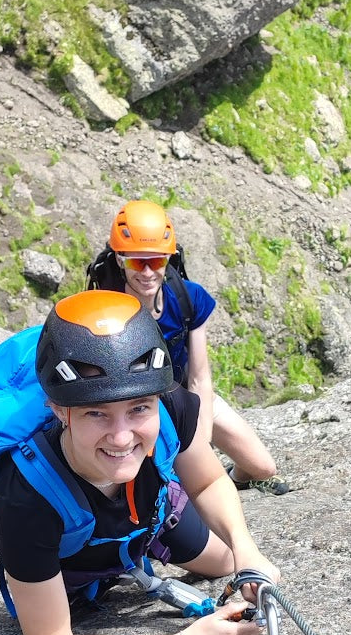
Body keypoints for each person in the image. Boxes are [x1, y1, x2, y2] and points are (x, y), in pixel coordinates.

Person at [0, 288, 279, 635]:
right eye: (96, 413)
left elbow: (209, 481)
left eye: (139, 409)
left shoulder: (171, 406)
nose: (123, 437)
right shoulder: (27, 496)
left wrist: (247, 550)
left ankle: (144, 542)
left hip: (149, 515)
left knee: (227, 562)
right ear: (59, 410)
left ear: (157, 398)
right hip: (72, 560)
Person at [91, 199, 289, 495]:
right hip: (137, 405)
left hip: (185, 393)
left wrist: (201, 441)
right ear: (120, 259)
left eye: (157, 261)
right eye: (137, 261)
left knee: (262, 467)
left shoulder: (189, 298)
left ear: (169, 260)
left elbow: (200, 378)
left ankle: (231, 478)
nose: (147, 272)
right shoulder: (106, 309)